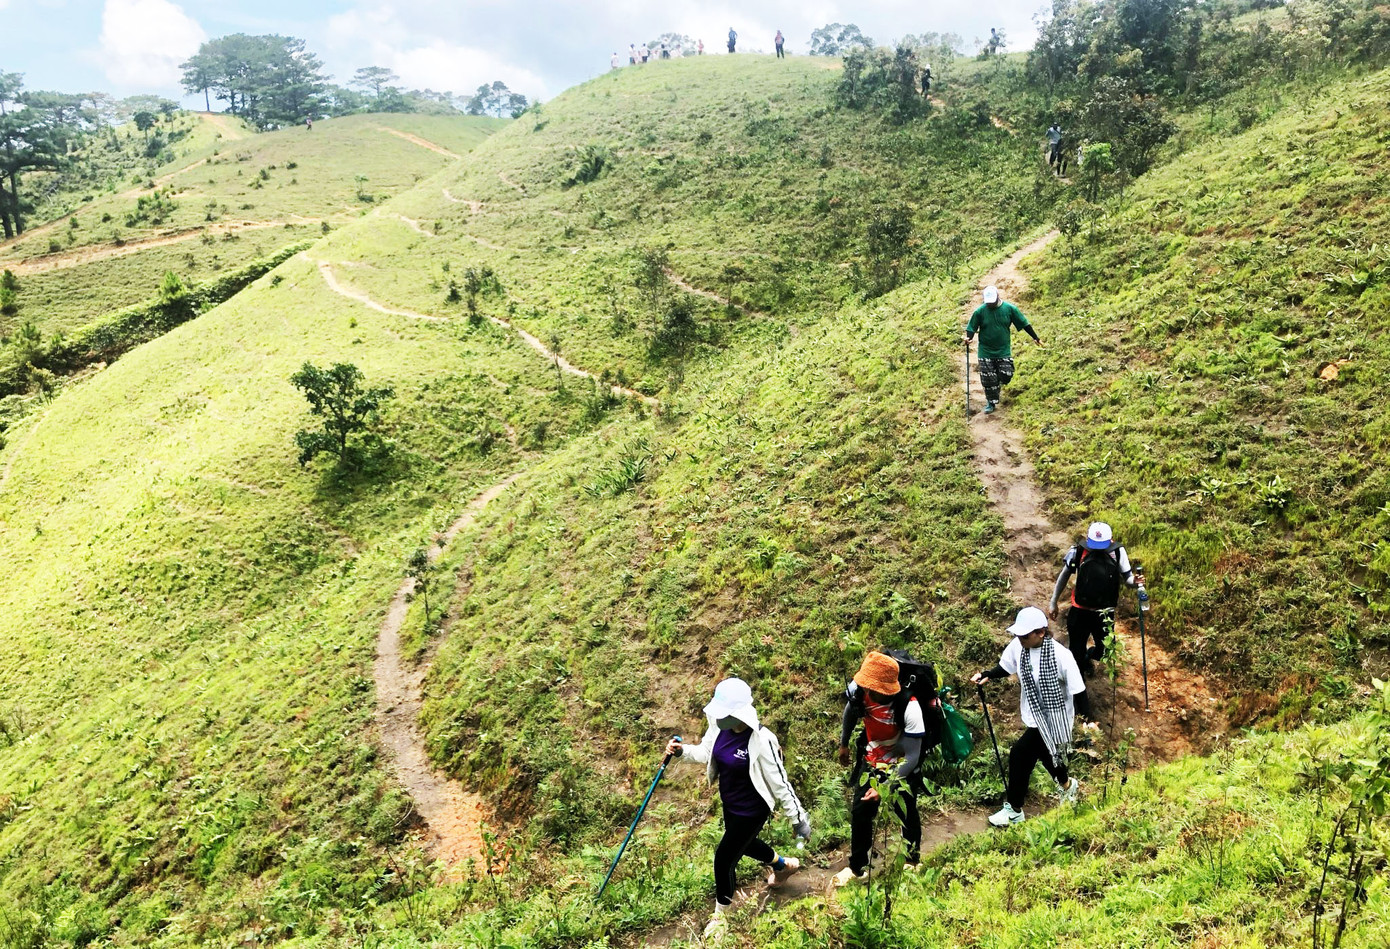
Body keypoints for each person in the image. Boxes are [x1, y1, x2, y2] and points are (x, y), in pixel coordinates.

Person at [666, 678, 811, 939]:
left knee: (724, 859)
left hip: (753, 811)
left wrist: (798, 819)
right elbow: (706, 753)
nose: (719, 716)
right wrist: (682, 752)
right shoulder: (718, 725)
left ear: (739, 712)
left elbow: (780, 783)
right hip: (730, 804)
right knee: (745, 845)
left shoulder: (761, 740)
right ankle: (783, 865)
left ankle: (720, 918)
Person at [970, 608, 1093, 826]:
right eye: (1018, 635)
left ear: (1041, 633)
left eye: (1025, 636)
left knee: (1019, 754)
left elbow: (1079, 690)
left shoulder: (1061, 656)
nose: (1020, 639)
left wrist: (1088, 720)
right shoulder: (1019, 647)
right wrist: (988, 674)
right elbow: (1006, 667)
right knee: (1048, 755)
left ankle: (1014, 810)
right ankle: (1067, 786)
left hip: (1055, 718)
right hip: (1034, 713)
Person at [830, 652, 931, 888]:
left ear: (885, 689)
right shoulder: (861, 693)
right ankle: (857, 868)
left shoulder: (909, 706)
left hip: (901, 763)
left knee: (905, 810)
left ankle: (912, 860)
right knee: (860, 812)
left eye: (871, 687)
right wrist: (844, 744)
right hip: (872, 758)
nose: (866, 690)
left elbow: (912, 757)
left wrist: (884, 788)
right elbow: (849, 712)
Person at [1049, 522, 1135, 678]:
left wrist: (1136, 582)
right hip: (1079, 610)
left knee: (1106, 650)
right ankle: (1079, 683)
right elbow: (1064, 575)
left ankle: (1089, 656)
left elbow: (1128, 578)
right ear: (1087, 539)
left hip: (1104, 612)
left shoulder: (1117, 552)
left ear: (1111, 540)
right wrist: (1053, 602)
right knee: (1076, 652)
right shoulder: (1077, 551)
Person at [963, 285, 1042, 414]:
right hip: (986, 351)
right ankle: (991, 402)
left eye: (992, 302)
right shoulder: (980, 312)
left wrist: (1035, 337)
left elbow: (1024, 323)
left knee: (1006, 374)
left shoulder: (1010, 309)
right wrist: (969, 338)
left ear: (998, 297)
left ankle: (997, 383)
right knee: (988, 380)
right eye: (988, 302)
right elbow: (971, 327)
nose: (990, 304)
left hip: (1003, 350)